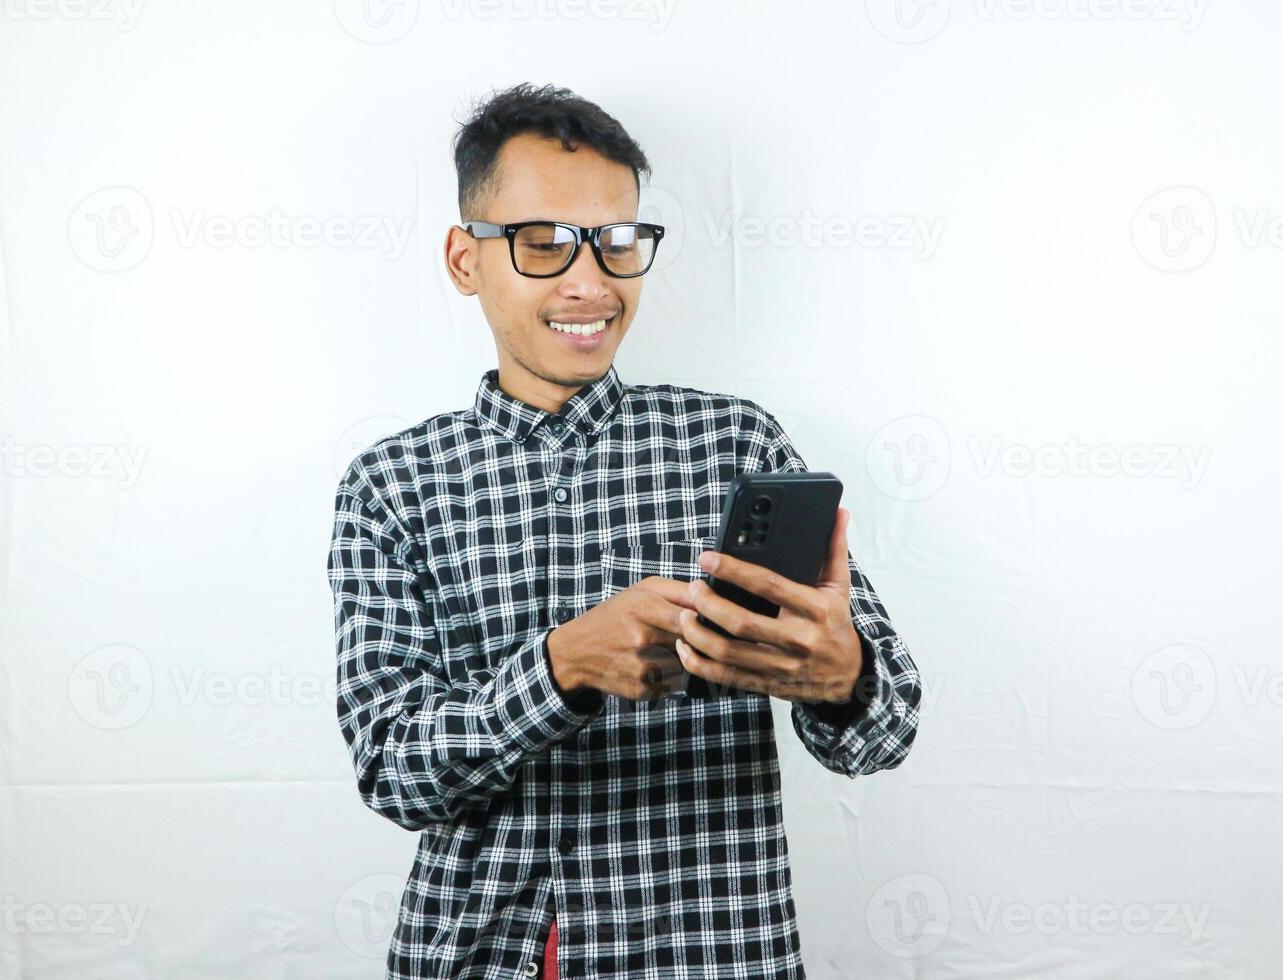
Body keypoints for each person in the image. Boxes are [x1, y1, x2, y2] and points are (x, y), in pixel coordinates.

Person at [327, 82, 922, 980]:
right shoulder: (392, 485)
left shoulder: (734, 445)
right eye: (541, 243)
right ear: (464, 258)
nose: (588, 280)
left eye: (616, 242)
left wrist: (842, 677)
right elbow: (392, 770)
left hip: (712, 953)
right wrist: (561, 668)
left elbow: (882, 734)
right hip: (483, 953)